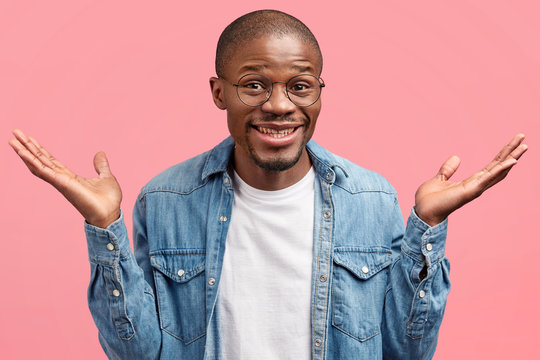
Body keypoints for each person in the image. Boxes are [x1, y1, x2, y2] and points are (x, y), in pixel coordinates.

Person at [9, 9, 527, 360]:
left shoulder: (371, 199)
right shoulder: (165, 200)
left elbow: (406, 351)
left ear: (320, 93)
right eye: (254, 83)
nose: (279, 105)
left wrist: (428, 228)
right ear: (219, 92)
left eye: (299, 86)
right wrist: (105, 228)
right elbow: (138, 353)